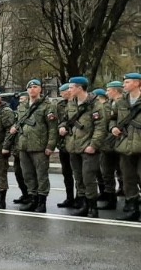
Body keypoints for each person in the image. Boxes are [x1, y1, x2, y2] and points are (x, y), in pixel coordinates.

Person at [59, 76, 106, 217]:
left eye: (71, 87)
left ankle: (93, 207)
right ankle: (84, 204)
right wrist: (62, 127)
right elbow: (66, 120)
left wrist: (93, 145)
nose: (69, 90)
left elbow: (100, 127)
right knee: (79, 178)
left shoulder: (95, 104)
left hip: (88, 148)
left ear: (80, 88)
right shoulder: (71, 103)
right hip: (73, 147)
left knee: (88, 178)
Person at [11, 80, 57, 213]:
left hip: (40, 147)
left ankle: (42, 202)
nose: (32, 89)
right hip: (24, 146)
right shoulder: (23, 106)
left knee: (41, 175)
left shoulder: (48, 106)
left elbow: (52, 128)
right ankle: (33, 198)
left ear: (40, 89)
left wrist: (50, 146)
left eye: (35, 87)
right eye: (29, 87)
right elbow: (19, 123)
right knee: (28, 175)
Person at [112, 72, 141, 221]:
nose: (124, 85)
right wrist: (113, 128)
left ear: (137, 83)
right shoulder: (121, 101)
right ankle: (132, 208)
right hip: (124, 145)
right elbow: (112, 118)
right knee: (128, 179)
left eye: (127, 82)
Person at [98, 82, 124, 210]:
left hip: (118, 142)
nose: (107, 92)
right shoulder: (110, 104)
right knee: (107, 173)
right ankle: (111, 198)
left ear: (115, 91)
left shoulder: (123, 104)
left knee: (124, 172)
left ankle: (130, 199)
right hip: (109, 143)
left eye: (108, 90)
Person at [55, 84, 77, 208]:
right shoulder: (60, 105)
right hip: (64, 144)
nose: (62, 94)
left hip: (77, 143)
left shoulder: (79, 103)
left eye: (63, 91)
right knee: (67, 173)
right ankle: (69, 197)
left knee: (79, 174)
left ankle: (81, 198)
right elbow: (58, 122)